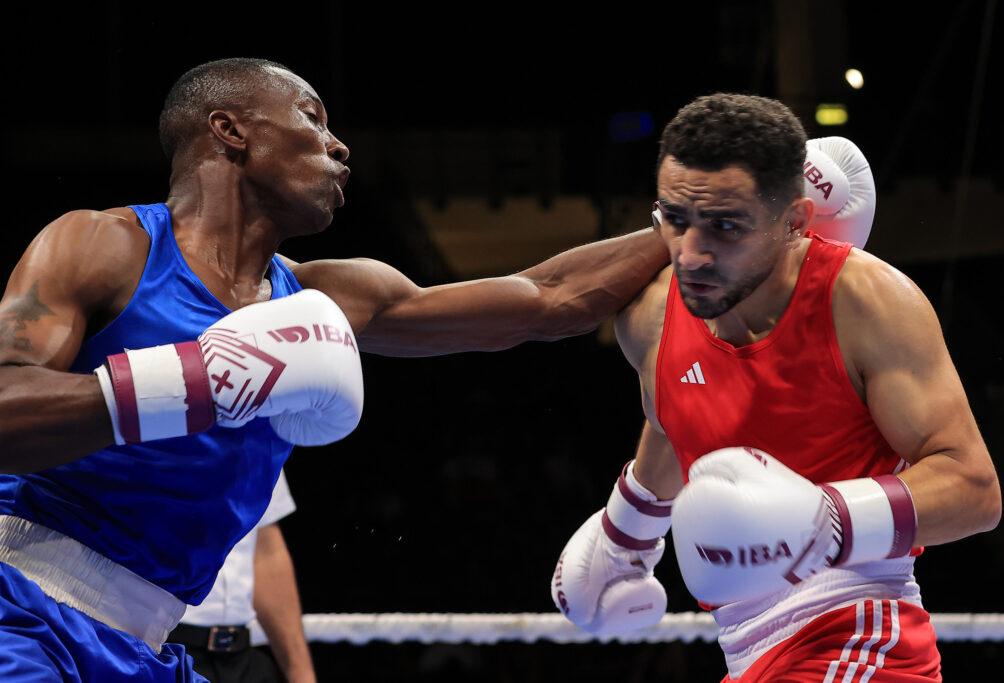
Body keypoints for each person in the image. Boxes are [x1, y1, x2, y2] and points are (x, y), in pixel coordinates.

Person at [0, 57, 670, 682]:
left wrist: (691, 224)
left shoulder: (326, 302)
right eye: (312, 117)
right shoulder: (106, 246)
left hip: (144, 644)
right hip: (20, 606)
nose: (340, 146)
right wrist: (197, 379)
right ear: (230, 130)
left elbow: (545, 299)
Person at [551, 94, 1001, 681]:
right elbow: (676, 419)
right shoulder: (655, 314)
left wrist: (828, 521)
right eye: (677, 220)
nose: (693, 253)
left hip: (858, 639)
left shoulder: (864, 299)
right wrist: (624, 536)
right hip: (746, 653)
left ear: (794, 222)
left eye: (725, 226)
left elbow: (974, 488)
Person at [170, 474, 314, 683]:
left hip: (243, 658)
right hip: (165, 646)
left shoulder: (264, 452)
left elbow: (266, 551)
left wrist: (301, 674)